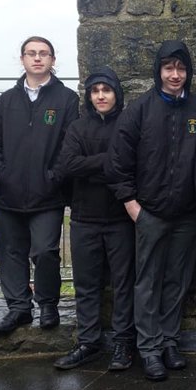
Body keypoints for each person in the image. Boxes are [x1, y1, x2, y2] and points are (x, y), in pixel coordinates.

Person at [109, 41, 196, 382]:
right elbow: (118, 162)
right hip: (149, 212)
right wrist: (133, 206)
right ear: (158, 71)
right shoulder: (139, 111)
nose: (175, 75)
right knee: (147, 283)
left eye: (180, 69)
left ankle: (169, 342)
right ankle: (148, 349)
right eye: (169, 68)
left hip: (187, 214)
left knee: (177, 281)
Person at [0, 36, 79, 335]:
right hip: (9, 194)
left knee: (46, 251)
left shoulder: (66, 100)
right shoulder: (6, 102)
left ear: (52, 60)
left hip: (47, 194)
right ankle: (19, 308)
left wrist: (54, 177)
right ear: (22, 59)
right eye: (31, 53)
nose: (37, 58)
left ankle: (48, 305)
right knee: (11, 252)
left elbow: (70, 146)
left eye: (43, 54)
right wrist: (2, 174)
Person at [52, 68, 135, 371]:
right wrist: (108, 162)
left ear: (116, 94)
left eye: (107, 90)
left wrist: (95, 166)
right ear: (88, 95)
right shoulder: (77, 128)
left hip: (120, 218)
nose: (101, 95)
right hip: (85, 217)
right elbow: (68, 164)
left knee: (124, 283)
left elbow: (132, 164)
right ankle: (89, 341)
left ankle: (124, 341)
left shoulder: (127, 124)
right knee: (86, 283)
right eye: (95, 90)